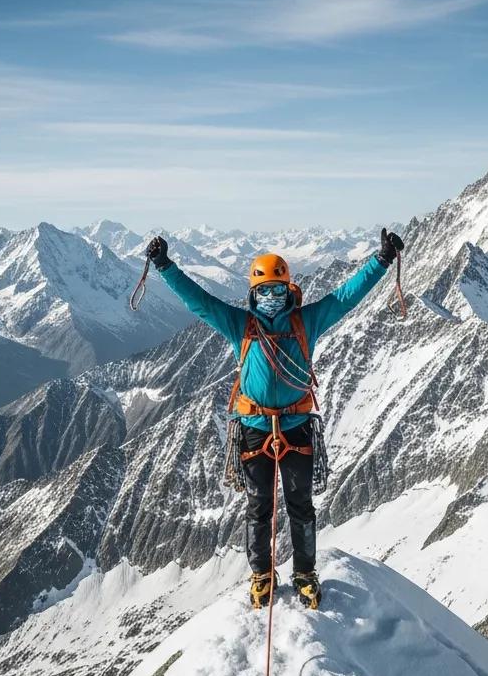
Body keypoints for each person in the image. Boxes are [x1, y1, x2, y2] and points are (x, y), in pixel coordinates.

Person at [146, 228, 404, 610]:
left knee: (299, 505)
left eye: (277, 290)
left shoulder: (301, 321)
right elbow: (199, 302)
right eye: (264, 291)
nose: (271, 298)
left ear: (289, 291)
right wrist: (165, 267)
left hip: (278, 428)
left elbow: (346, 297)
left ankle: (302, 573)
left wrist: (381, 261)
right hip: (263, 429)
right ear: (252, 294)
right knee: (260, 506)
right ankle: (263, 575)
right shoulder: (245, 325)